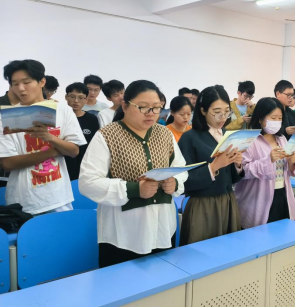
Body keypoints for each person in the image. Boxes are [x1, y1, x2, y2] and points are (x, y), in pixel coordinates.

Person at [80, 80, 188, 268]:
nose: (151, 113)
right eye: (143, 107)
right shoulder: (107, 135)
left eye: (156, 108)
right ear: (125, 106)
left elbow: (180, 167)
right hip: (123, 233)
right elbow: (87, 182)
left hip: (162, 226)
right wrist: (134, 189)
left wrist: (175, 183)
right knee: (122, 282)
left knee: (162, 279)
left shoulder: (165, 134)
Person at [0, 60, 85, 215]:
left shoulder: (62, 110)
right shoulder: (6, 117)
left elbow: (74, 151)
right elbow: (8, 163)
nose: (21, 88)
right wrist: (54, 151)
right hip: (23, 201)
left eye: (26, 82)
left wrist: (50, 138)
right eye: (15, 84)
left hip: (58, 197)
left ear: (42, 82)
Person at [178, 85, 244, 245]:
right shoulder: (190, 138)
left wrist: (237, 165)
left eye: (227, 112)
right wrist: (213, 167)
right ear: (203, 111)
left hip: (227, 201)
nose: (223, 117)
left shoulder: (227, 135)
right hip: (203, 206)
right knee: (201, 253)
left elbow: (232, 178)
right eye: (216, 112)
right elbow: (183, 181)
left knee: (228, 251)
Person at [235, 98, 295, 229]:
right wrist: (268, 160)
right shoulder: (249, 140)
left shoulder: (281, 139)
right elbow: (243, 171)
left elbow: (289, 170)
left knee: (282, 233)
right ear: (260, 119)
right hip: (258, 198)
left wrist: (292, 162)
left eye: (280, 118)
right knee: (261, 235)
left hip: (282, 193)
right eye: (273, 118)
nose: (277, 122)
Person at [64, 83, 100, 180]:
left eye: (81, 98)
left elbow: (95, 145)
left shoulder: (92, 119)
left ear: (86, 100)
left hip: (84, 166)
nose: (76, 101)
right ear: (66, 97)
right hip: (63, 165)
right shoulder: (59, 117)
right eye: (72, 97)